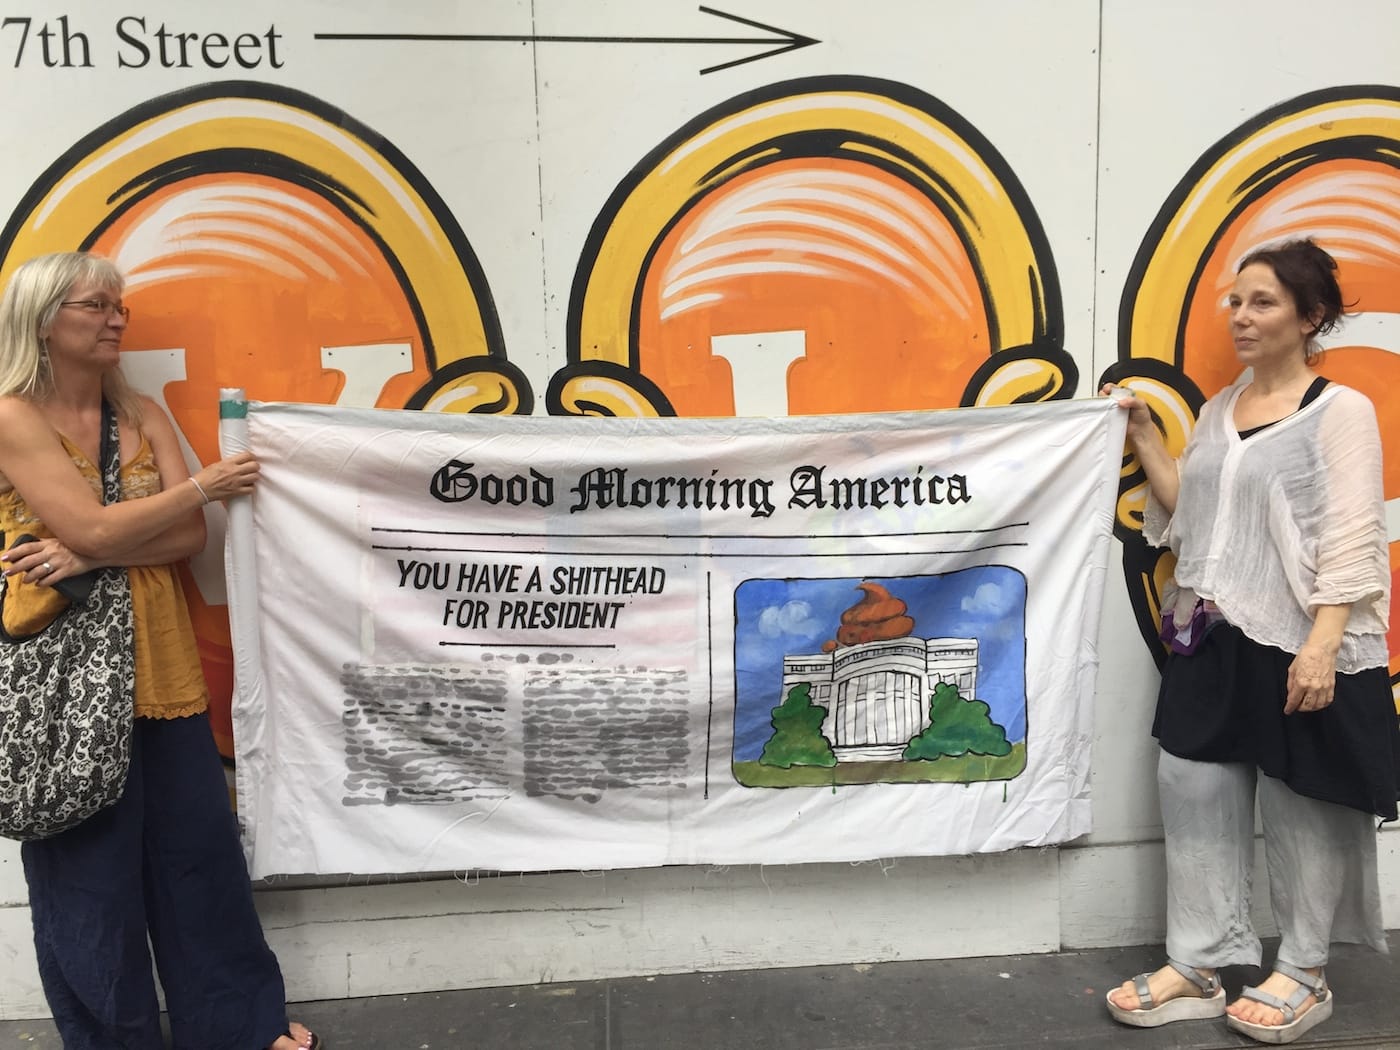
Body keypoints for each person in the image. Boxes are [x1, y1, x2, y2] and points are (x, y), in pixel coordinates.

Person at [0, 252, 321, 1050]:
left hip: (164, 669)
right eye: (96, 306)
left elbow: (182, 536)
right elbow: (121, 521)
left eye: (120, 307)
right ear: (44, 320)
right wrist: (200, 487)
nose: (116, 319)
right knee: (87, 881)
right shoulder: (10, 417)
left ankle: (241, 1027)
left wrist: (96, 549)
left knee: (200, 858)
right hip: (64, 689)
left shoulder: (140, 411)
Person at [1101, 238, 1400, 1044]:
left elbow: (1352, 534)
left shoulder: (1342, 411)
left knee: (1308, 806)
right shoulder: (1219, 407)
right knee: (1189, 782)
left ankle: (1304, 972)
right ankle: (1197, 963)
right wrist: (1144, 439)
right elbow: (1194, 522)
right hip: (1215, 631)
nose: (1239, 315)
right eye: (1235, 301)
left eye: (1261, 301)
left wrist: (1324, 643)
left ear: (1311, 319)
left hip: (1303, 637)